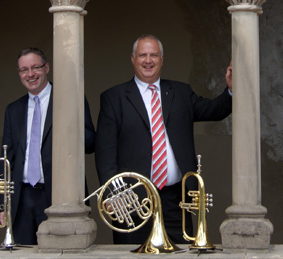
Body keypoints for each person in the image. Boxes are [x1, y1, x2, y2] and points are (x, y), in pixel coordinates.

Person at [95, 34, 232, 244]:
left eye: (154, 55)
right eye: (142, 55)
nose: (148, 60)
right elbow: (105, 153)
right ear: (133, 58)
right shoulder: (114, 98)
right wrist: (113, 193)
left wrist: (231, 89)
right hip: (132, 202)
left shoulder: (181, 92)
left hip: (176, 200)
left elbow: (214, 110)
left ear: (162, 59)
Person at [1, 48, 96, 245]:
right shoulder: (13, 110)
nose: (30, 74)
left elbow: (89, 143)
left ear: (47, 68)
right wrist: (4, 204)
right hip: (22, 198)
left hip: (60, 196)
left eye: (35, 67)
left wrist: (68, 128)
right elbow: (7, 160)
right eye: (24, 70)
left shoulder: (71, 98)